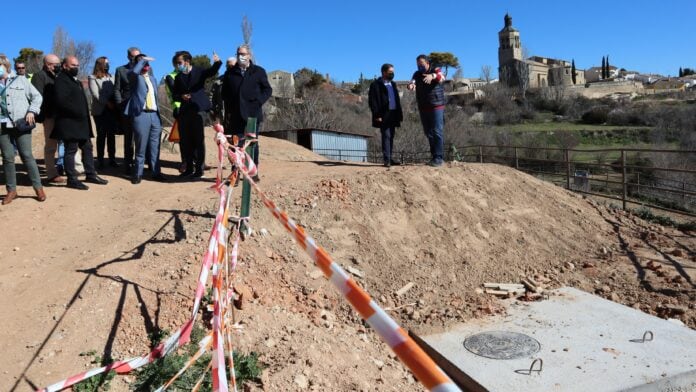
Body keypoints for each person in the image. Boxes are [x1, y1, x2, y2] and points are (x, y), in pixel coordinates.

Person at [52, 56, 108, 190]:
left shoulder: (74, 80)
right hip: (69, 122)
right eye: (73, 66)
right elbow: (61, 101)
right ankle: (71, 179)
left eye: (77, 65)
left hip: (81, 122)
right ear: (65, 66)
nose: (76, 68)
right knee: (71, 150)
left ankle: (90, 174)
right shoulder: (61, 80)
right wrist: (77, 112)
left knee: (87, 147)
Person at [220, 44, 272, 179]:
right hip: (235, 115)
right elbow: (224, 92)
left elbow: (267, 90)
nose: (241, 56)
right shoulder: (230, 73)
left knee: (252, 144)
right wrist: (229, 106)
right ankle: (235, 172)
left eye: (243, 54)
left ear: (249, 55)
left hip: (252, 115)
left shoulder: (258, 72)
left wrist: (258, 101)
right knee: (235, 145)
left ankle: (253, 172)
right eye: (238, 54)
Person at [0, 56, 45, 204]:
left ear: (5, 66)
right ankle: (11, 191)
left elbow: (37, 97)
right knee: (7, 158)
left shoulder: (20, 80)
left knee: (27, 155)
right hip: (2, 126)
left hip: (21, 124)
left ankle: (38, 188)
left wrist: (32, 111)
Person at [172, 50, 222, 178]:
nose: (178, 65)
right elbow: (175, 95)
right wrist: (181, 96)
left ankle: (199, 169)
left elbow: (210, 72)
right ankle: (188, 168)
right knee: (185, 141)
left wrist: (217, 63)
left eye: (180, 62)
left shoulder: (198, 71)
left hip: (198, 110)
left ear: (187, 62)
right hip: (184, 112)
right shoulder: (178, 78)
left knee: (198, 140)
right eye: (176, 63)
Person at [125, 54, 164, 184]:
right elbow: (134, 72)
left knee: (155, 147)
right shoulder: (134, 76)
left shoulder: (153, 79)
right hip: (141, 115)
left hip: (154, 115)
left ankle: (155, 172)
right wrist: (142, 61)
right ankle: (137, 174)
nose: (147, 65)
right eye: (144, 63)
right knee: (140, 146)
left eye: (148, 63)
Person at [31, 54, 65, 184]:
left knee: (68, 142)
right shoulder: (39, 76)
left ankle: (71, 168)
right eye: (54, 64)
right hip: (49, 115)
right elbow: (37, 97)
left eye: (58, 63)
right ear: (47, 65)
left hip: (62, 115)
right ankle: (51, 174)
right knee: (51, 145)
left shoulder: (60, 76)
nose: (57, 66)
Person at [408, 54, 446, 167]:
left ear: (427, 63)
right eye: (418, 65)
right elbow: (412, 82)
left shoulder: (435, 69)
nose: (420, 67)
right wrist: (411, 85)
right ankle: (434, 156)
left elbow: (442, 77)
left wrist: (433, 76)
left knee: (437, 131)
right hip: (423, 107)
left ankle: (439, 158)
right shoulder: (417, 74)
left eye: (421, 64)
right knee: (428, 132)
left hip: (436, 106)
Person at [368, 63, 403, 167]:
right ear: (384, 72)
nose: (392, 74)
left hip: (393, 114)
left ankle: (390, 158)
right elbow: (373, 101)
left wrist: (399, 114)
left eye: (393, 72)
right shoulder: (375, 85)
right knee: (386, 136)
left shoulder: (393, 84)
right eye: (390, 72)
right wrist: (377, 114)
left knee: (391, 136)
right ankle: (386, 160)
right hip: (383, 115)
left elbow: (397, 100)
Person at [88, 56, 119, 168]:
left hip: (113, 110)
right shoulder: (92, 78)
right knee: (101, 135)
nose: (108, 65)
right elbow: (95, 94)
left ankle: (112, 159)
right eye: (106, 63)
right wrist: (107, 103)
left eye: (108, 63)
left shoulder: (112, 77)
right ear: (100, 64)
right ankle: (100, 160)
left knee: (111, 135)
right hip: (100, 110)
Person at [114, 47, 140, 174]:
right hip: (126, 108)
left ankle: (140, 164)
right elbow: (117, 89)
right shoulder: (120, 70)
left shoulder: (147, 69)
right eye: (133, 56)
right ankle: (128, 164)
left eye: (138, 56)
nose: (135, 58)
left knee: (141, 137)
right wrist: (120, 104)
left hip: (142, 109)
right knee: (128, 138)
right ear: (128, 56)